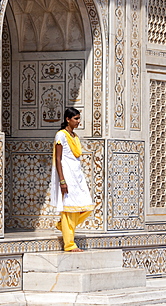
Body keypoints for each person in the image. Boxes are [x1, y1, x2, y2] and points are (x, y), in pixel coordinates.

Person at [51, 107, 94, 252]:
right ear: (67, 119)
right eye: (75, 118)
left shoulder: (75, 136)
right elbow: (58, 159)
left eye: (79, 118)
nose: (78, 121)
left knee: (87, 206)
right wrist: (62, 180)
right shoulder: (61, 136)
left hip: (77, 175)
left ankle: (61, 225)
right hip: (67, 175)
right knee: (69, 209)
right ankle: (69, 244)